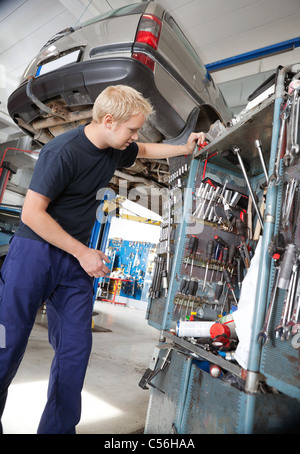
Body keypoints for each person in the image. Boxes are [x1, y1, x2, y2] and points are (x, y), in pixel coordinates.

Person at [0, 85, 206, 434]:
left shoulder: (116, 148)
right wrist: (83, 252)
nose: (135, 136)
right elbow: (32, 215)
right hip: (34, 254)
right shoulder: (60, 152)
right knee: (6, 349)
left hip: (74, 262)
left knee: (75, 353)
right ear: (108, 121)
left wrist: (183, 149)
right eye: (131, 129)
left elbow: (145, 149)